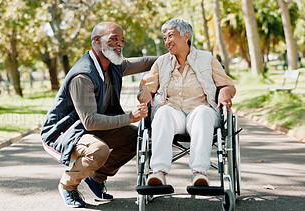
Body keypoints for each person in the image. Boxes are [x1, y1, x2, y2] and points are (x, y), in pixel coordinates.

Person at [41, 22, 157, 208]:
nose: (119, 44)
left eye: (122, 40)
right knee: (98, 151)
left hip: (89, 127)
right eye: (113, 39)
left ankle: (96, 179)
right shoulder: (83, 75)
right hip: (65, 131)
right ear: (96, 40)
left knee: (138, 137)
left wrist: (177, 54)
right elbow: (90, 121)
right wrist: (129, 117)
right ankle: (67, 185)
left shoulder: (114, 64)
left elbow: (146, 62)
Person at [138, 18, 236, 187]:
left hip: (200, 111)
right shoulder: (161, 62)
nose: (167, 41)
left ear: (186, 35)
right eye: (164, 38)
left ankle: (199, 173)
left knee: (203, 113)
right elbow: (146, 87)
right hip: (173, 113)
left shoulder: (207, 59)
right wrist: (145, 93)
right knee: (162, 112)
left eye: (170, 36)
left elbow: (228, 84)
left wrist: (226, 91)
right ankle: (158, 173)